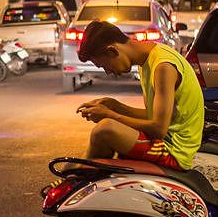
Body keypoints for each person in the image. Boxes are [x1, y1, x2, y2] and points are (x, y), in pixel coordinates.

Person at [73, 20, 203, 171]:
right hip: (166, 139)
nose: (108, 72)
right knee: (103, 134)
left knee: (104, 129)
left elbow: (159, 128)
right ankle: (79, 174)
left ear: (112, 51)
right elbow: (154, 116)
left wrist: (109, 115)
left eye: (104, 65)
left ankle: (78, 175)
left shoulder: (163, 67)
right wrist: (115, 106)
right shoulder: (149, 58)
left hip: (174, 150)